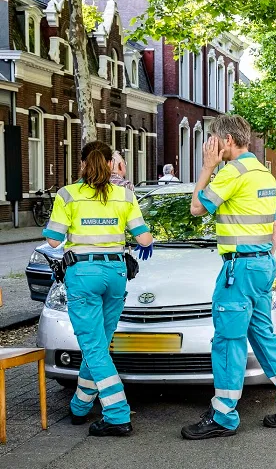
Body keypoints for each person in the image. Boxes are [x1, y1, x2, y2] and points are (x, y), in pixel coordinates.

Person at [182, 115, 276, 440]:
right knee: (262, 335)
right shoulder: (262, 172)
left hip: (238, 269)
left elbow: (197, 207)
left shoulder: (232, 172)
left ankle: (223, 415)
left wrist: (207, 168)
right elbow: (275, 226)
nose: (210, 146)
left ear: (227, 141)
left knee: (228, 340)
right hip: (261, 264)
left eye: (213, 140)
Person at [42, 141, 154, 437]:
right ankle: (80, 405)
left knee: (92, 346)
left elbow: (53, 241)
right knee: (100, 344)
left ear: (82, 164)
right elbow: (144, 239)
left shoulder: (68, 194)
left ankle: (117, 414)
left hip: (83, 275)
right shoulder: (125, 195)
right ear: (109, 164)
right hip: (116, 273)